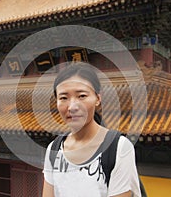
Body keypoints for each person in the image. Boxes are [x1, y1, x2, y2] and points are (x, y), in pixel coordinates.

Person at [43, 63, 141, 197]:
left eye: (82, 96)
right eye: (64, 98)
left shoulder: (119, 148)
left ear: (97, 99)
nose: (72, 106)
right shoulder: (54, 149)